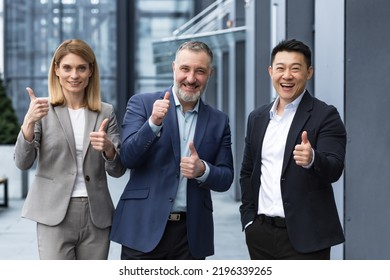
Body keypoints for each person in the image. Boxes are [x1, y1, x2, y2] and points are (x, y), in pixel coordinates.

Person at [110, 41, 234, 260]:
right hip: (143, 228)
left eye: (200, 71)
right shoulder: (143, 103)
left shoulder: (218, 120)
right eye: (185, 69)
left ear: (210, 73)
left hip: (190, 235)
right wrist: (153, 124)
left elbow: (226, 178)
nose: (191, 78)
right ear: (174, 68)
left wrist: (202, 170)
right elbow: (128, 158)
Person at [14, 39, 126, 260]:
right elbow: (22, 162)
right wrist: (28, 122)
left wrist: (109, 149)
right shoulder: (41, 110)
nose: (74, 75)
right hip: (53, 213)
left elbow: (117, 170)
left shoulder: (106, 112)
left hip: (97, 215)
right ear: (56, 69)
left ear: (90, 71)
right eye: (67, 67)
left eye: (81, 68)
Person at [239, 39, 346, 260]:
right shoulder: (257, 118)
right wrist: (249, 220)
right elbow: (248, 172)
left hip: (307, 239)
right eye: (280, 68)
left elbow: (334, 168)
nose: (287, 75)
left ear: (309, 73)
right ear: (271, 71)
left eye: (295, 68)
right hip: (261, 235)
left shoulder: (325, 115)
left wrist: (312, 159)